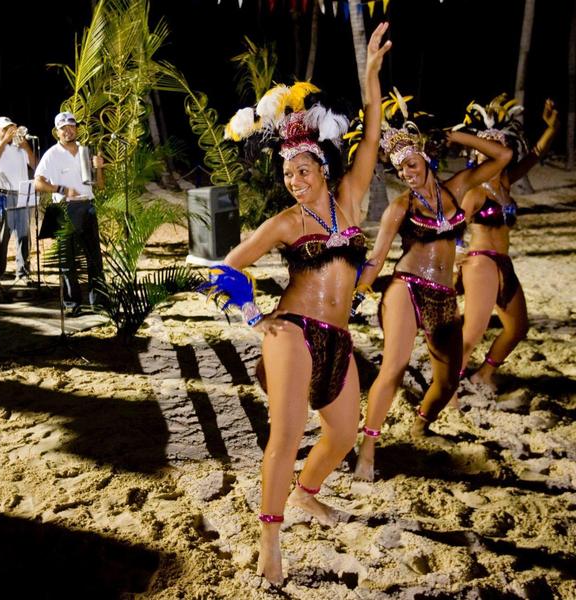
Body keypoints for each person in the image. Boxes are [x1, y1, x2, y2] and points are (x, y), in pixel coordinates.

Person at [200, 24, 391, 586]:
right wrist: (254, 314)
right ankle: (269, 541)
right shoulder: (286, 222)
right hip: (290, 332)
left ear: (323, 168)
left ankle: (306, 495)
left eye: (303, 170)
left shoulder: (351, 200)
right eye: (287, 173)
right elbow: (226, 265)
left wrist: (372, 77)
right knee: (285, 434)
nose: (294, 179)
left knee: (342, 434)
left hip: (336, 338)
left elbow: (374, 132)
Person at [352, 99, 513, 482]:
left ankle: (422, 422)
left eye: (410, 163)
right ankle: (368, 448)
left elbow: (503, 154)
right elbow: (377, 258)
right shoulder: (399, 207)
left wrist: (453, 135)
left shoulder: (458, 188)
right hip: (406, 288)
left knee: (447, 380)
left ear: (425, 157)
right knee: (393, 366)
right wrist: (355, 289)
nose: (405, 172)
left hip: (443, 297)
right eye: (398, 167)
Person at [458, 97, 559, 389]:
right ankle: (448, 386)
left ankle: (482, 375)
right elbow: (452, 228)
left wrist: (551, 128)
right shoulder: (475, 191)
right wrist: (455, 260)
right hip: (480, 264)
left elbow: (536, 154)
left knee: (517, 328)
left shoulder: (504, 184)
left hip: (504, 263)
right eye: (484, 153)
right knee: (473, 332)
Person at [34, 111, 105, 314]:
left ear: (77, 129)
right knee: (67, 261)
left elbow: (100, 186)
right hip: (64, 208)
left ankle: (98, 302)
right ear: (57, 132)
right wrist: (61, 189)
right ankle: (72, 304)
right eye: (63, 128)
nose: (68, 131)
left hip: (88, 206)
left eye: (71, 126)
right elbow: (38, 183)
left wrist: (99, 168)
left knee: (94, 259)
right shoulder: (52, 154)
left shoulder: (85, 151)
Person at [0, 116, 38, 283]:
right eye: (5, 129)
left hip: (22, 193)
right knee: (2, 235)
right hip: (3, 194)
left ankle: (23, 272)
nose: (10, 132)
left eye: (12, 128)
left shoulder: (20, 147)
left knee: (24, 234)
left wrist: (26, 146)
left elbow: (36, 166)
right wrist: (5, 141)